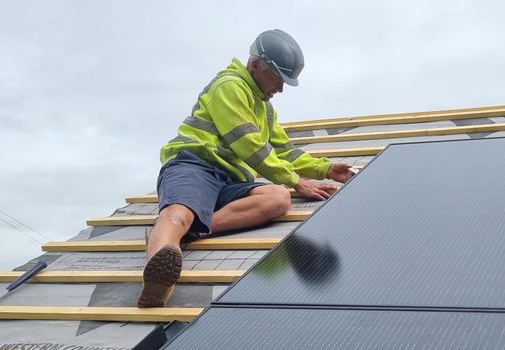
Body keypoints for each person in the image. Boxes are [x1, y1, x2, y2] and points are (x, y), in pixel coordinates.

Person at [138, 29, 354, 308]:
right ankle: (157, 284)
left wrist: (324, 169)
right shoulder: (229, 86)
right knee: (179, 213)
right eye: (277, 79)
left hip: (231, 180)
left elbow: (283, 151)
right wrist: (296, 181)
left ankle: (181, 233)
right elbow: (249, 145)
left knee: (278, 198)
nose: (280, 88)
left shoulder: (265, 109)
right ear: (255, 66)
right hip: (194, 165)